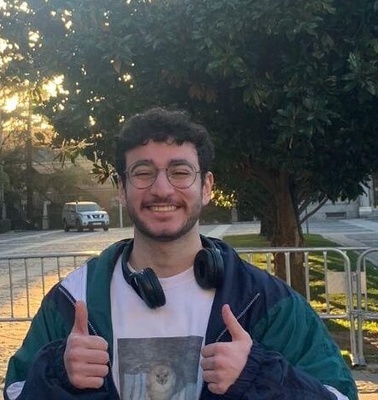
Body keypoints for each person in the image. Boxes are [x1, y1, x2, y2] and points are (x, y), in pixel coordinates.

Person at [4, 107, 358, 400]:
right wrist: (56, 374)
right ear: (122, 189)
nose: (162, 189)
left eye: (180, 172)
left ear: (206, 187)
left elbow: (339, 395)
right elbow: (16, 391)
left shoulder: (264, 302)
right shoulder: (73, 300)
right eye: (142, 173)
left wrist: (260, 375)